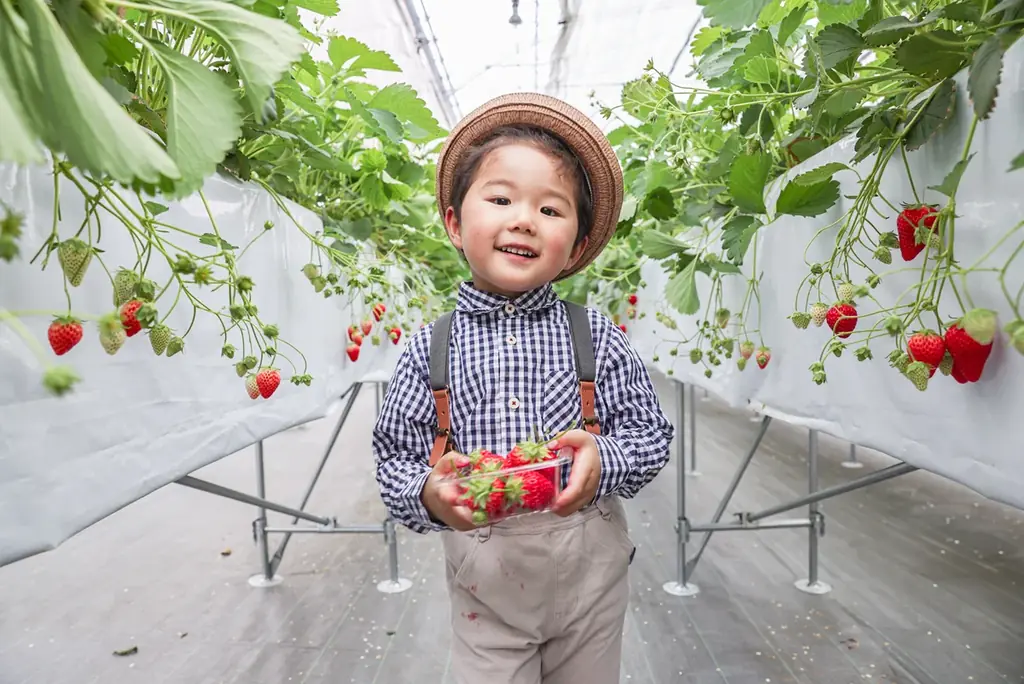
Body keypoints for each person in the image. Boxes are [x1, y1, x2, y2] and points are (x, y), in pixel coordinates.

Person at [372, 92, 674, 684]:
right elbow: (395, 461)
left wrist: (603, 458)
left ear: (578, 246)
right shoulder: (426, 351)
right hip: (487, 589)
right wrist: (430, 493)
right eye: (501, 198)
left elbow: (649, 435)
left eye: (551, 210)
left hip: (591, 584)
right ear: (456, 223)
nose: (523, 219)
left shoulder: (599, 338)